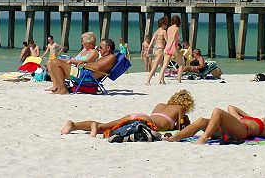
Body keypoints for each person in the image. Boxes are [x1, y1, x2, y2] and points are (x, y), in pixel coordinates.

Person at [60, 89, 195, 135]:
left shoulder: (160, 105)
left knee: (105, 125)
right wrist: (186, 122)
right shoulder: (179, 109)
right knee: (110, 128)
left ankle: (74, 125)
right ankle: (91, 126)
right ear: (186, 104)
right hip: (145, 123)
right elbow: (179, 130)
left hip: (139, 116)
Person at [165, 103, 265, 144]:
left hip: (242, 131)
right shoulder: (243, 119)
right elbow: (231, 107)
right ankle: (175, 137)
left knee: (217, 112)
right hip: (229, 130)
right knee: (202, 121)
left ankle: (204, 138)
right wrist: (247, 116)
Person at [47, 39, 117, 94]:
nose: (99, 49)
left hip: (85, 76)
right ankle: (60, 87)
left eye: (101, 47)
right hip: (85, 74)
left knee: (56, 62)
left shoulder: (111, 57)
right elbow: (97, 65)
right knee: (53, 62)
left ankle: (63, 89)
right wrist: (84, 64)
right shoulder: (106, 57)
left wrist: (84, 64)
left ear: (108, 48)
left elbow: (98, 67)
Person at [159, 15, 184, 84]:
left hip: (167, 47)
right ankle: (179, 80)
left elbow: (170, 38)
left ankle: (161, 80)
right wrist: (173, 45)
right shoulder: (176, 28)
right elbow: (173, 38)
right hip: (173, 47)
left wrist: (179, 42)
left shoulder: (169, 28)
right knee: (181, 65)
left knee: (164, 65)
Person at [145, 17, 168, 85]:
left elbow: (151, 43)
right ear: (162, 24)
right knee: (155, 67)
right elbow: (167, 41)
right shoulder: (164, 31)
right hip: (160, 50)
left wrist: (147, 51)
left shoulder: (156, 32)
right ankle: (148, 80)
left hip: (155, 49)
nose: (166, 25)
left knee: (162, 65)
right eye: (166, 24)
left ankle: (162, 80)